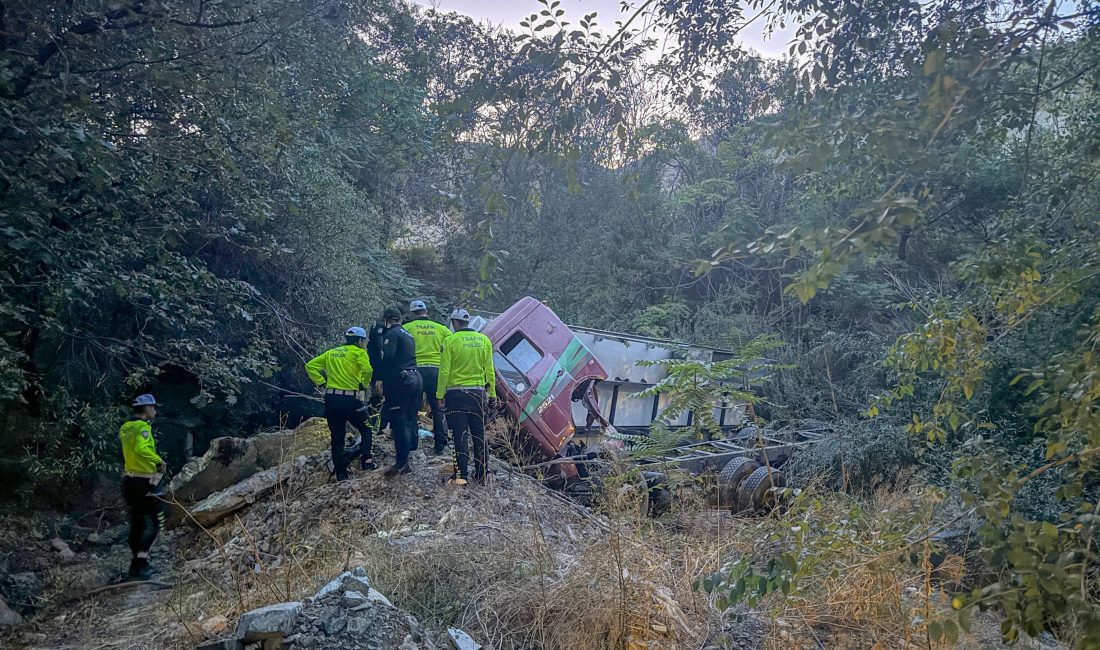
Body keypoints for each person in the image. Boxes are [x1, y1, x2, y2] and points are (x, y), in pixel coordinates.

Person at [305, 327, 376, 481]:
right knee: (367, 429)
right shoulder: (359, 352)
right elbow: (368, 370)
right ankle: (367, 462)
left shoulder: (332, 352)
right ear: (360, 340)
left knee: (337, 436)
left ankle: (341, 474)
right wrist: (362, 385)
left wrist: (322, 383)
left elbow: (310, 366)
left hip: (331, 399)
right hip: (350, 399)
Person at [437, 308, 496, 484]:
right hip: (478, 395)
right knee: (479, 436)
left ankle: (461, 476)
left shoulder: (450, 341)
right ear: (467, 322)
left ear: (455, 323)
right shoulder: (484, 340)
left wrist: (440, 394)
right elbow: (490, 371)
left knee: (459, 436)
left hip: (456, 396)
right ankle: (482, 474)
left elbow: (444, 371)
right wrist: (492, 394)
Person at [119, 393, 166, 579]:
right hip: (143, 482)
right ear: (146, 408)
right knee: (156, 522)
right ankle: (142, 562)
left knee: (137, 522)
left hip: (129, 481)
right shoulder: (142, 427)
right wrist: (159, 460)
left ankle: (135, 567)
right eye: (153, 407)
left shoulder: (125, 427)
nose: (155, 410)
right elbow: (141, 449)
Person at [378, 307, 422, 477]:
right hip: (415, 378)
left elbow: (388, 358)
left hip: (402, 380)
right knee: (411, 417)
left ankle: (402, 463)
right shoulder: (407, 334)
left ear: (388, 320)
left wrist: (382, 379)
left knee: (399, 420)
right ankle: (411, 451)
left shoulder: (392, 334)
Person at [404, 299, 452, 455]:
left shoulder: (407, 328)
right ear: (426, 312)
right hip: (436, 371)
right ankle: (440, 444)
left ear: (412, 313)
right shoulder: (441, 329)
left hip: (415, 371)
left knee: (412, 407)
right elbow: (453, 345)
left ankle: (412, 444)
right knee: (438, 407)